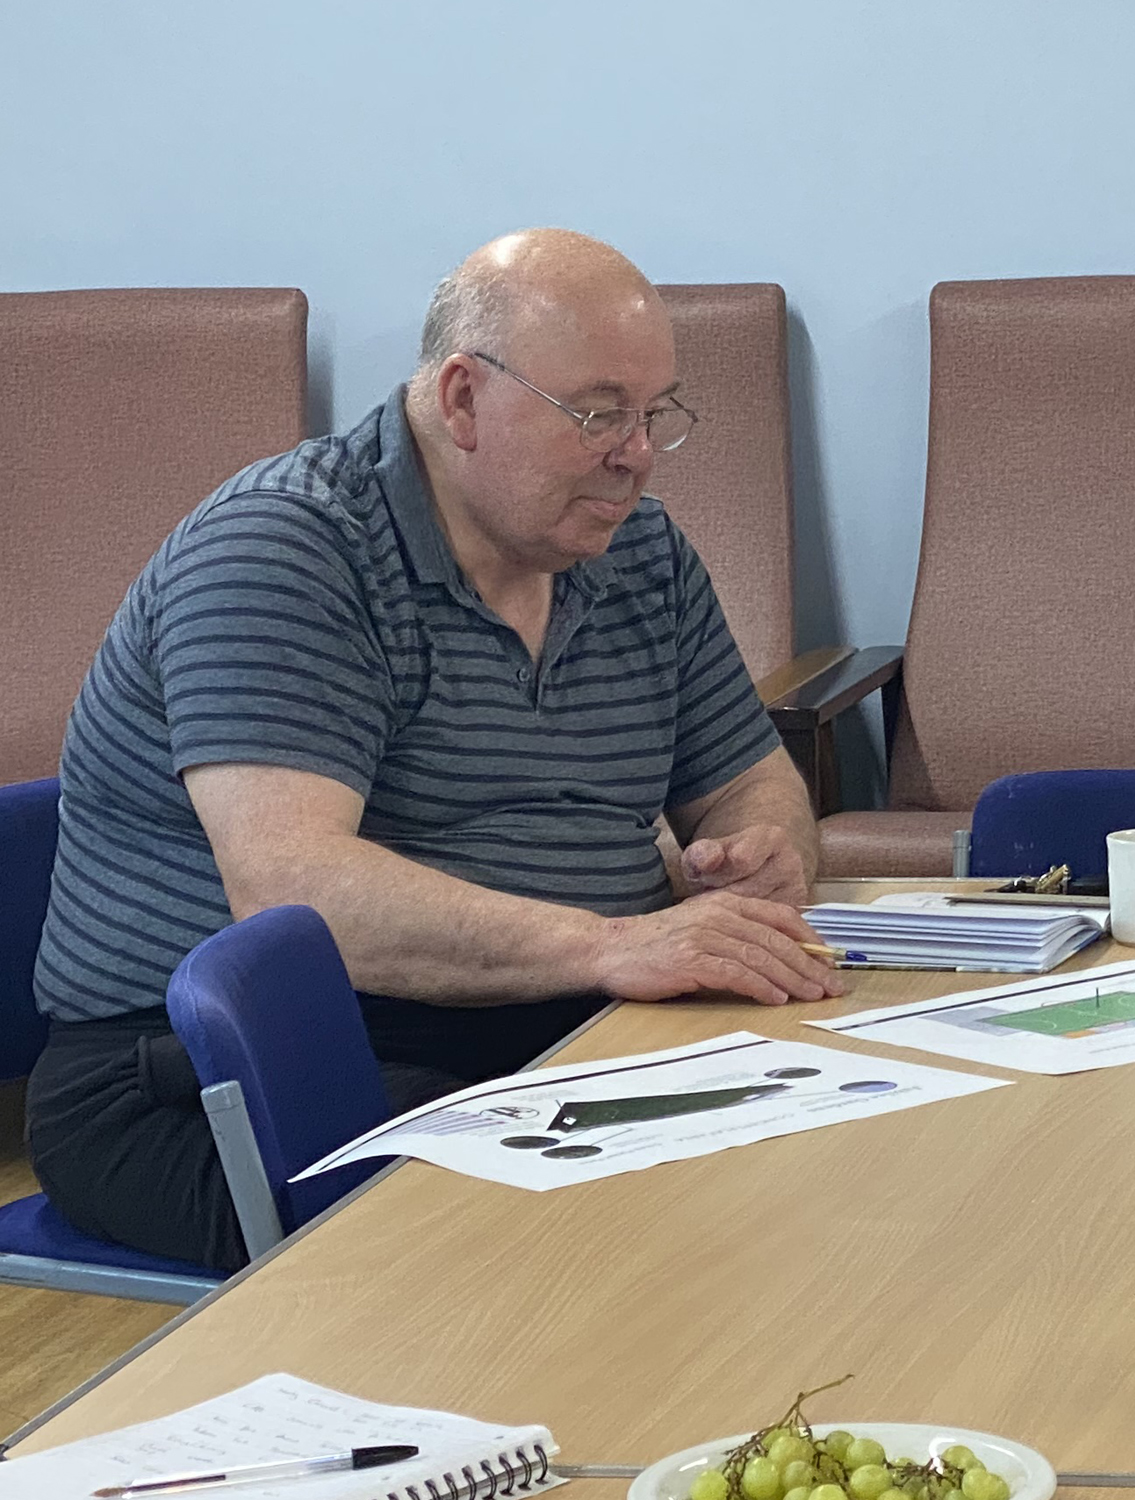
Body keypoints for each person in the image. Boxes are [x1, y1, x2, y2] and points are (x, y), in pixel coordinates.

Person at [26, 229, 843, 1271]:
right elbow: (296, 892)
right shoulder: (286, 549)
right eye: (597, 414)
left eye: (655, 415)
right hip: (226, 1078)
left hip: (540, 1030)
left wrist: (762, 846)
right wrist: (609, 945)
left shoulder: (635, 546)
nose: (633, 452)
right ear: (461, 399)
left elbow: (747, 780)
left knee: (813, 1166)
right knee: (602, 1252)